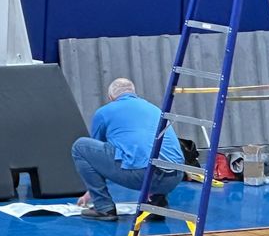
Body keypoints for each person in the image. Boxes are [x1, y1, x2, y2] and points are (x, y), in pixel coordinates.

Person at [71, 78, 184, 221]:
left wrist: (92, 192)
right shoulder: (155, 109)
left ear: (110, 97)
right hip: (175, 176)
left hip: (142, 175)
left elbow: (95, 158)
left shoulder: (104, 112)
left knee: (80, 147)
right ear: (134, 94)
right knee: (151, 150)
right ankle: (157, 204)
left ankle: (104, 207)